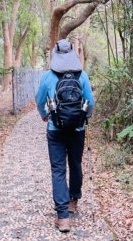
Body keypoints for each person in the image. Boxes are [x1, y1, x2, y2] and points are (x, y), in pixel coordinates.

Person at [35, 39, 94, 233]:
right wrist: (85, 117)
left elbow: (40, 99)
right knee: (75, 163)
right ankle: (73, 201)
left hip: (55, 130)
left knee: (58, 169)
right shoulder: (82, 75)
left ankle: (63, 218)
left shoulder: (47, 76)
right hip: (77, 130)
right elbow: (90, 102)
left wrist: (44, 115)